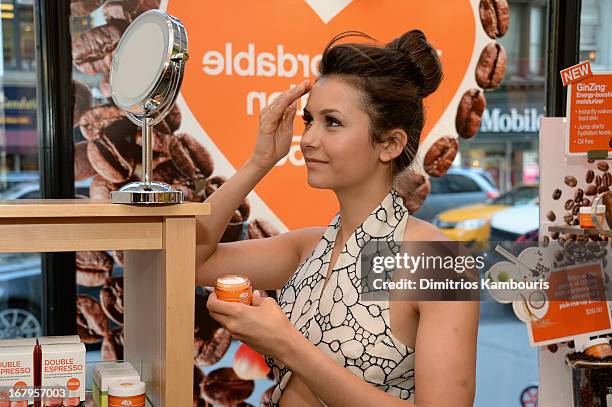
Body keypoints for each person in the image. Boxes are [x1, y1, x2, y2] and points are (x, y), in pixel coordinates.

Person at [196, 30, 479, 407]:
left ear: (390, 144)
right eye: (309, 120)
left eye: (332, 122)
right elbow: (190, 261)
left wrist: (285, 343)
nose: (308, 138)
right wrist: (260, 161)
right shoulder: (307, 248)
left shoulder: (437, 262)